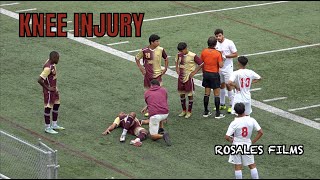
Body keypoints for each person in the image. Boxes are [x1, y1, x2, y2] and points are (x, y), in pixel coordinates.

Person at [225, 102, 263, 179]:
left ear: (235, 112)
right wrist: (252, 142)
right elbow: (260, 132)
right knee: (252, 165)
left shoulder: (234, 123)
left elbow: (227, 137)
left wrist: (232, 141)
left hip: (236, 145)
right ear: (244, 110)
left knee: (237, 166)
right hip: (247, 144)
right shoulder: (251, 120)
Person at [135, 34, 169, 117]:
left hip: (157, 75)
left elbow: (166, 58)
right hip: (147, 76)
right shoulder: (144, 50)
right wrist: (141, 68)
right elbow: (137, 58)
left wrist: (165, 68)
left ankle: (161, 109)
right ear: (152, 42)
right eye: (157, 41)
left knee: (160, 93)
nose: (158, 42)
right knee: (148, 93)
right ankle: (150, 109)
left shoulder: (161, 49)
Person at [192, 36, 225, 119]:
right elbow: (221, 65)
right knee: (216, 94)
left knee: (206, 93)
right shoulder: (218, 53)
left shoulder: (204, 52)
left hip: (206, 74)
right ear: (215, 44)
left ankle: (206, 111)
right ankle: (217, 113)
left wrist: (195, 71)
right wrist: (222, 58)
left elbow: (201, 63)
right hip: (214, 74)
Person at [37, 51, 65, 134]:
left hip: (54, 89)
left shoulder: (51, 63)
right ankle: (47, 127)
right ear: (53, 58)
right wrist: (48, 88)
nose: (58, 60)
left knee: (57, 104)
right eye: (57, 58)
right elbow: (39, 80)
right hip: (49, 91)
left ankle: (54, 125)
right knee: (48, 107)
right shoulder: (48, 68)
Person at [175, 42, 203, 119]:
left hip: (188, 78)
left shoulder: (192, 55)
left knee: (189, 95)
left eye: (182, 51)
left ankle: (189, 111)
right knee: (181, 94)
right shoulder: (179, 54)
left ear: (186, 48)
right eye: (179, 51)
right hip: (180, 77)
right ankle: (184, 110)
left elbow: (201, 64)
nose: (180, 52)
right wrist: (177, 68)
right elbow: (176, 60)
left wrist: (194, 72)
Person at [214, 29, 238, 114]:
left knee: (229, 85)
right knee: (221, 85)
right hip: (219, 68)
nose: (218, 38)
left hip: (228, 67)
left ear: (223, 35)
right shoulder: (215, 43)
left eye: (219, 36)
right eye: (216, 36)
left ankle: (232, 105)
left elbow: (235, 54)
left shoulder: (229, 42)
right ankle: (222, 103)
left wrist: (226, 56)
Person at [144, 79, 171, 146]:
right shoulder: (164, 90)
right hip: (165, 113)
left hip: (155, 116)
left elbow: (150, 103)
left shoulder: (147, 92)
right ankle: (161, 128)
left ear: (151, 85)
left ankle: (163, 136)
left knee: (152, 136)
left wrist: (147, 107)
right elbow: (164, 100)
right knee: (160, 112)